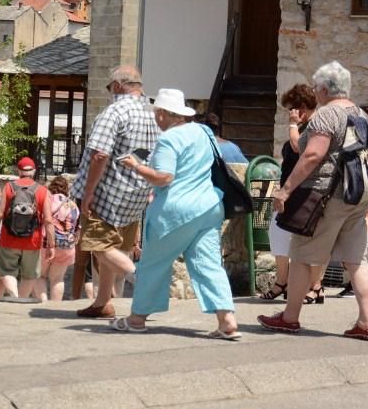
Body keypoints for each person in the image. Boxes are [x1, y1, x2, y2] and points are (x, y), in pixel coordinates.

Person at [259, 61, 368, 340]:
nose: (315, 92)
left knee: (301, 254)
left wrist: (286, 190)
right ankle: (367, 322)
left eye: (316, 88)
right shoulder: (362, 115)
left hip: (326, 196)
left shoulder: (327, 115)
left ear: (324, 89)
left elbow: (312, 155)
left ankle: (290, 318)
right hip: (358, 196)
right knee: (355, 259)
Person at [112, 89, 240, 338]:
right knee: (208, 264)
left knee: (153, 264)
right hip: (209, 205)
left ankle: (137, 319)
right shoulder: (203, 132)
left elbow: (164, 178)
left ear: (162, 113)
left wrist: (136, 166)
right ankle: (227, 320)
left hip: (175, 211)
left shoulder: (168, 139)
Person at [70, 65, 159, 318]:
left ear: (118, 86)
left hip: (108, 191)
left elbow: (100, 154)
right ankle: (102, 302)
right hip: (136, 192)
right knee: (115, 247)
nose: (109, 92)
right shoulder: (152, 111)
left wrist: (88, 192)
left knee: (97, 245)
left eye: (109, 87)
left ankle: (140, 279)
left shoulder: (115, 111)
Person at [258, 84, 328, 304]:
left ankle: (315, 286)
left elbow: (299, 148)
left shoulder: (314, 126)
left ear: (302, 107)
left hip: (307, 191)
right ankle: (283, 282)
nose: (291, 113)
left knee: (311, 238)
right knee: (278, 233)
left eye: (293, 109)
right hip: (291, 189)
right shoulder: (304, 126)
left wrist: (292, 125)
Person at [0, 158, 54, 299]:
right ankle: (22, 301)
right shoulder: (42, 190)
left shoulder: (9, 187)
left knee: (7, 271)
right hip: (33, 241)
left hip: (9, 238)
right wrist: (51, 245)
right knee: (29, 275)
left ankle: (14, 295)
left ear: (18, 171)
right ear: (34, 171)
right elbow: (48, 220)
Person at [40, 175, 79, 302]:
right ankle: (55, 306)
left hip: (46, 243)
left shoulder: (48, 200)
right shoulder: (73, 205)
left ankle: (43, 304)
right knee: (58, 279)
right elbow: (77, 225)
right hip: (67, 245)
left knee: (40, 276)